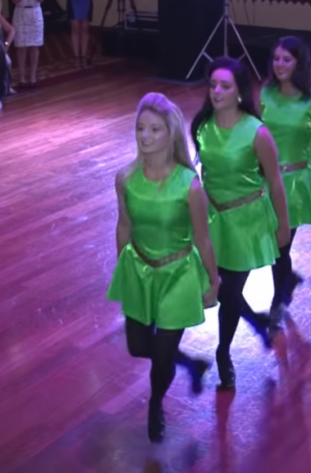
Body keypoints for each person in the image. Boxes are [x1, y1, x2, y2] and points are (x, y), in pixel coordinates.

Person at [107, 93, 220, 443]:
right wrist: (122, 266)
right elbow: (124, 225)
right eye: (141, 128)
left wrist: (212, 282)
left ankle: (155, 404)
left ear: (170, 134)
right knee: (138, 347)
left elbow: (203, 239)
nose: (145, 136)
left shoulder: (189, 185)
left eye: (154, 129)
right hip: (140, 269)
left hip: (178, 276)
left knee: (161, 356)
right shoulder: (125, 178)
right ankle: (187, 362)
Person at [191, 57, 289, 390]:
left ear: (239, 92)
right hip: (212, 218)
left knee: (230, 290)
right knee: (219, 287)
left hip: (246, 221)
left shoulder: (256, 132)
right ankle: (254, 320)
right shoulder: (202, 127)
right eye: (213, 84)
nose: (216, 91)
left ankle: (223, 352)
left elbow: (275, 181)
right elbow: (198, 171)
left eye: (225, 85)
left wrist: (282, 226)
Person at [260, 37, 311, 322]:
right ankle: (287, 280)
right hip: (264, 181)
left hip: (294, 184)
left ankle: (278, 300)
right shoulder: (265, 94)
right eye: (276, 58)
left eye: (286, 59)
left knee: (281, 246)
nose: (280, 64)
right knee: (270, 245)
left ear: (299, 63)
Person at [10, 0, 45, 88]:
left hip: (35, 14)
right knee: (21, 47)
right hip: (21, 14)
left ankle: (33, 76)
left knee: (34, 46)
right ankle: (22, 77)